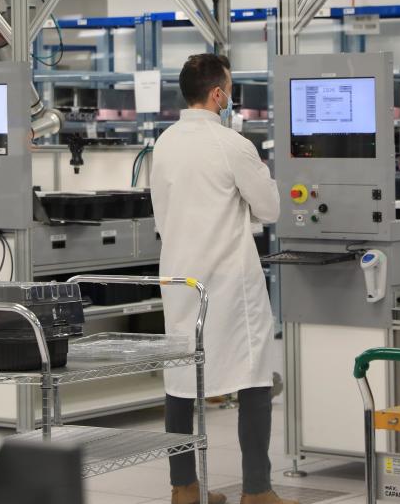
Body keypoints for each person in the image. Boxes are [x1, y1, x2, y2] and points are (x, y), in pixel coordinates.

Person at [152, 54, 295, 504]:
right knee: (252, 376)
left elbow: (162, 214)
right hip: (230, 284)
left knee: (180, 382)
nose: (230, 96)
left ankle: (184, 489)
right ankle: (257, 489)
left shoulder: (165, 143)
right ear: (218, 94)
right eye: (229, 88)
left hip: (179, 278)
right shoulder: (231, 143)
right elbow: (271, 208)